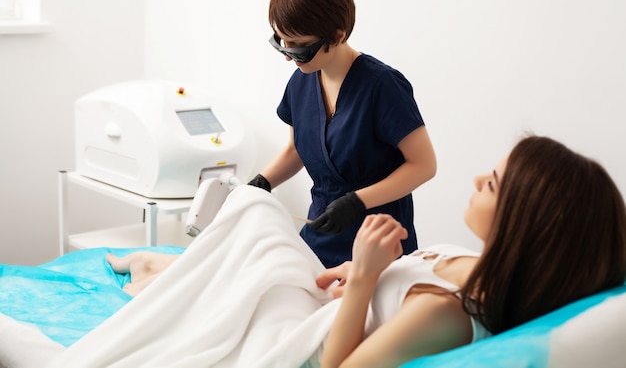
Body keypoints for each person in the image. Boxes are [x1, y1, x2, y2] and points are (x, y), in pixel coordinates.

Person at [105, 135, 626, 367]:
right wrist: (362, 270)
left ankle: (163, 277)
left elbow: (340, 367)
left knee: (257, 222)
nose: (475, 179)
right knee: (255, 215)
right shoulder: (470, 266)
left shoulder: (447, 312)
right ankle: (166, 273)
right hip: (334, 300)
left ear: (525, 224)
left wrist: (362, 280)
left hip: (310, 335)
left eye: (491, 184)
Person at [247, 0, 437, 268]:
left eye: (299, 47)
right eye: (281, 43)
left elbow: (424, 165)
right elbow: (297, 147)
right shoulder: (301, 81)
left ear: (337, 36)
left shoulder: (382, 86)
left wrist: (357, 201)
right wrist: (261, 183)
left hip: (378, 242)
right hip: (321, 229)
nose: (288, 56)